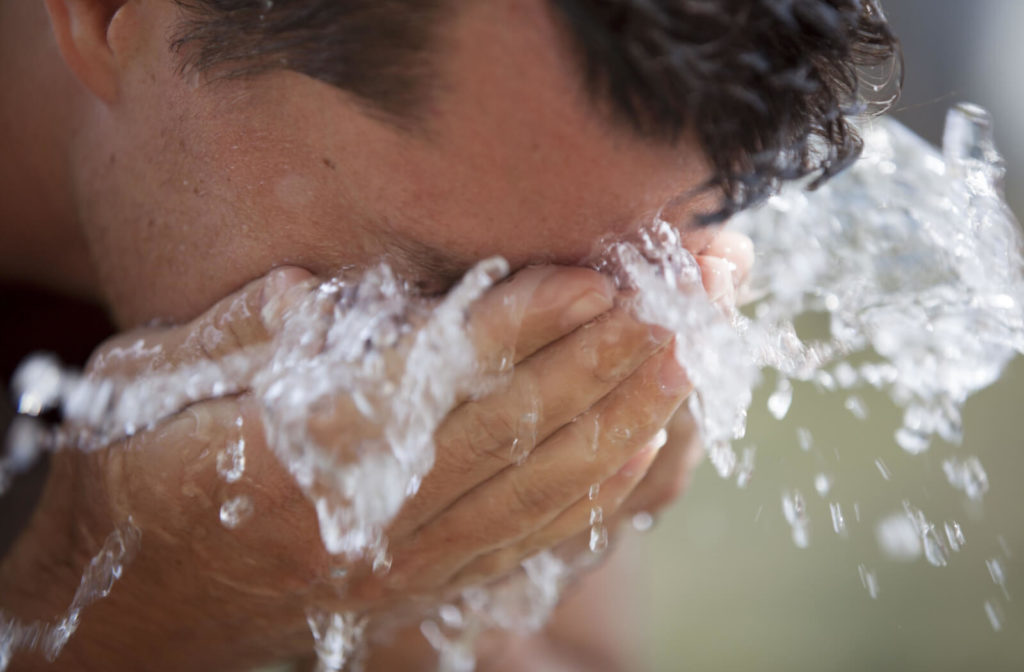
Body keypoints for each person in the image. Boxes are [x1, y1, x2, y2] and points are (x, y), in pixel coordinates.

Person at [0, 0, 898, 669]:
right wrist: (128, 608)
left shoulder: (563, 172)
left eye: (645, 280)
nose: (513, 361)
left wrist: (445, 584)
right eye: (442, 288)